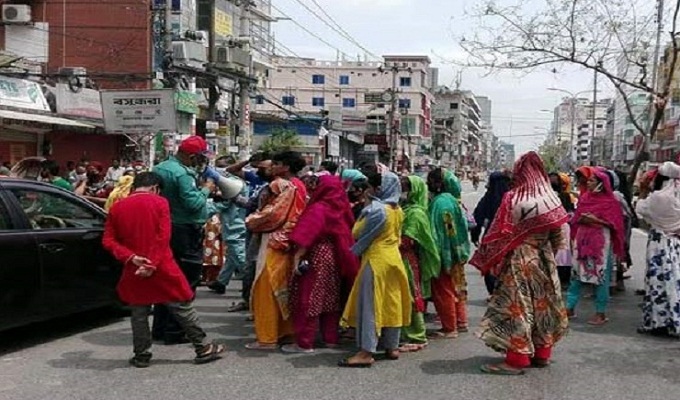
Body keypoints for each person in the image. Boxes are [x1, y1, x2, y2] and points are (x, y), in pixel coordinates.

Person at [101, 172, 225, 368]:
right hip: (161, 265)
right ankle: (203, 347)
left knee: (139, 312)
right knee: (182, 306)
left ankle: (142, 354)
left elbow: (108, 240)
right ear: (155, 188)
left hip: (134, 266)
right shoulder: (160, 203)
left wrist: (131, 258)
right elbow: (163, 237)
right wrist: (151, 264)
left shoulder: (117, 207)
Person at [470, 151, 569, 375]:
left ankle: (517, 360)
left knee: (517, 308)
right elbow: (558, 237)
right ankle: (542, 355)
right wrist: (543, 253)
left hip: (518, 260)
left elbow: (499, 232)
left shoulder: (513, 198)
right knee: (542, 306)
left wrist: (491, 259)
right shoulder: (551, 198)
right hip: (544, 259)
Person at [338, 171, 411, 368]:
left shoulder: (376, 209)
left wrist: (365, 208)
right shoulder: (398, 209)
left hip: (376, 259)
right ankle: (391, 346)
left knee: (371, 305)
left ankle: (366, 351)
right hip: (394, 259)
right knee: (391, 302)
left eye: (371, 186)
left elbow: (357, 232)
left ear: (378, 189)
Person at [152, 135, 219, 344]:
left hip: (167, 227)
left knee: (166, 279)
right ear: (191, 155)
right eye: (198, 158)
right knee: (185, 281)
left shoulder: (160, 168)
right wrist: (207, 188)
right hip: (185, 230)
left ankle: (161, 328)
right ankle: (176, 330)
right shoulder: (182, 174)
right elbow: (193, 203)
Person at [283, 174, 358, 353]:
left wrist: (296, 260)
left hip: (318, 254)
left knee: (309, 298)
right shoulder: (342, 207)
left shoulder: (319, 208)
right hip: (337, 256)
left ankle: (305, 341)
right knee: (331, 298)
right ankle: (330, 338)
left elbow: (306, 236)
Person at [244, 151, 307, 350]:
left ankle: (267, 337)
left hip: (274, 239)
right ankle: (286, 332)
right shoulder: (300, 184)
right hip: (291, 240)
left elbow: (273, 214)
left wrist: (252, 220)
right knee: (284, 288)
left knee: (266, 287)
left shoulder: (280, 185)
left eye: (276, 163)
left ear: (285, 167)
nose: (271, 167)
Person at [566, 168, 625, 326]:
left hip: (601, 243)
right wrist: (581, 219)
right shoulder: (584, 198)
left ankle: (600, 313)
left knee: (600, 277)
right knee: (576, 275)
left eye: (592, 180)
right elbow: (577, 218)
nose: (589, 183)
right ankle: (569, 308)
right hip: (583, 240)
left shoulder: (610, 202)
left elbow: (616, 225)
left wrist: (596, 221)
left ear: (601, 183)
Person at [635, 162, 680, 337]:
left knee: (657, 283)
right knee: (675, 282)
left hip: (659, 245)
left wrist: (644, 189)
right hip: (676, 244)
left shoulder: (659, 198)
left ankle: (657, 322)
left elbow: (640, 208)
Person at [427, 168, 471, 338]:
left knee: (444, 290)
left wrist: (440, 253)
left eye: (431, 180)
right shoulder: (453, 200)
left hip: (446, 253)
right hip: (456, 252)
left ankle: (449, 327)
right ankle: (460, 322)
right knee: (456, 287)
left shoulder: (441, 203)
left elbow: (446, 231)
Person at [398, 175, 440, 352]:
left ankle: (417, 335)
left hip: (408, 259)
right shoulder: (405, 209)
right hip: (400, 258)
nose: (402, 192)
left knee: (412, 295)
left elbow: (407, 240)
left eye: (405, 188)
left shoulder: (416, 213)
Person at [208, 156, 249, 297]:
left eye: (222, 166)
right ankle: (221, 281)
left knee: (239, 255)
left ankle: (251, 283)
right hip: (233, 223)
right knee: (232, 255)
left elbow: (224, 203)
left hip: (235, 225)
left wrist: (201, 208)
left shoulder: (233, 184)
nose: (220, 169)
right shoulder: (233, 182)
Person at [471, 171, 512, 294]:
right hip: (510, 238)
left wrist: (475, 236)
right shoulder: (513, 198)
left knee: (490, 265)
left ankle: (493, 292)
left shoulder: (488, 198)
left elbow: (477, 218)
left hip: (491, 237)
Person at [549, 172, 576, 289]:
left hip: (563, 226)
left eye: (555, 180)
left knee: (563, 253)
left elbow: (570, 212)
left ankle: (564, 278)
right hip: (549, 227)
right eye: (550, 180)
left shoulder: (566, 196)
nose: (552, 182)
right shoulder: (544, 195)